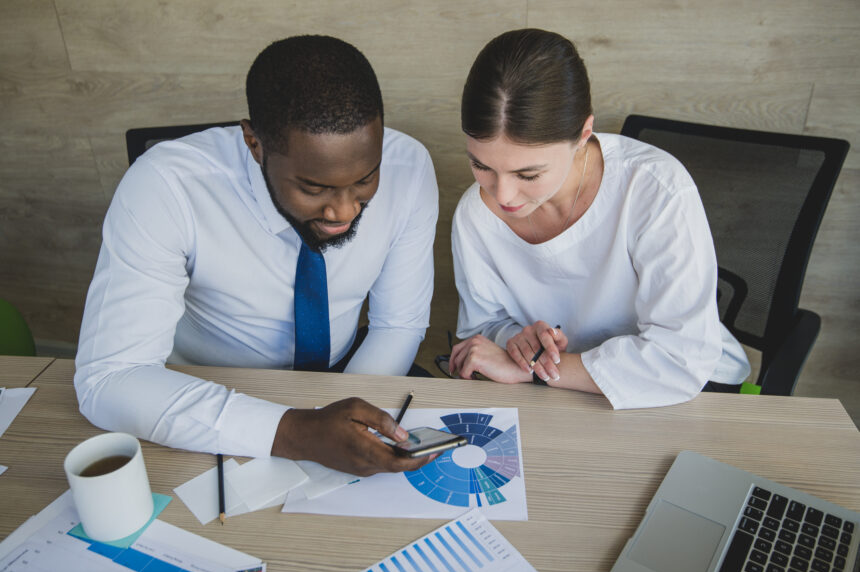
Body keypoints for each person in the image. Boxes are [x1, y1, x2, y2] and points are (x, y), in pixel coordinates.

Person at [74, 36, 439, 476]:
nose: (344, 210)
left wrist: (344, 419)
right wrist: (297, 432)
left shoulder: (409, 165)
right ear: (254, 143)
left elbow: (398, 323)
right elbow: (108, 380)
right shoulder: (165, 186)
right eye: (314, 187)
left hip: (347, 370)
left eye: (365, 179)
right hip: (205, 393)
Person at [448, 29, 750, 409]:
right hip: (557, 391)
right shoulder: (475, 214)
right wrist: (517, 340)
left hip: (686, 389)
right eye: (480, 165)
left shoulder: (655, 189)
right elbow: (482, 326)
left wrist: (536, 369)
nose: (501, 195)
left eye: (528, 175)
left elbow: (681, 359)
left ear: (583, 134)